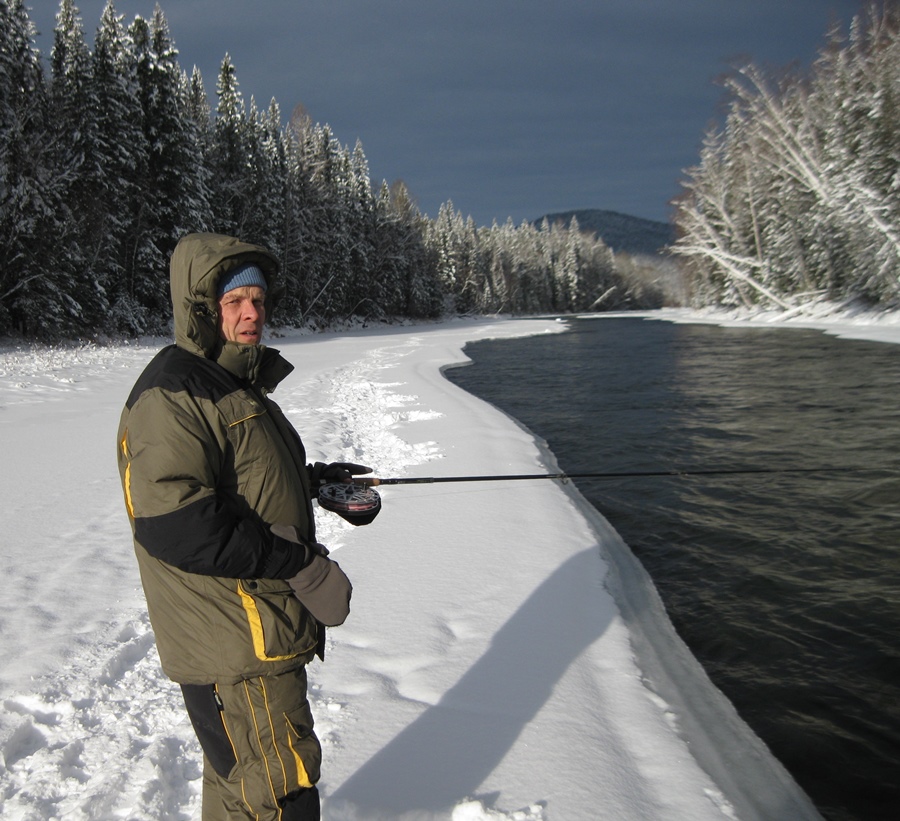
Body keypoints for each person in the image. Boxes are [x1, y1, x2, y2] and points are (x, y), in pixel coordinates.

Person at [116, 232, 371, 820]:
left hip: (245, 635)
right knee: (280, 789)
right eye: (234, 302)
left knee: (240, 791)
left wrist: (312, 483)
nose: (252, 313)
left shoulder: (226, 380)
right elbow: (177, 521)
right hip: (241, 640)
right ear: (202, 308)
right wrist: (300, 565)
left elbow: (239, 479)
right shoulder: (174, 393)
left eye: (257, 299)